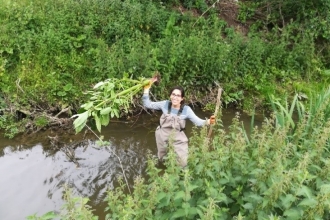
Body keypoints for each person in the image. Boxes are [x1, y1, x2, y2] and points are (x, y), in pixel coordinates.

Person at [142, 82, 215, 167]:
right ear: (170, 96)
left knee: (183, 162)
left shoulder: (186, 110)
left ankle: (183, 176)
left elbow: (198, 122)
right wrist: (146, 90)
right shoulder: (164, 104)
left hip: (178, 137)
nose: (175, 97)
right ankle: (163, 173)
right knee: (162, 158)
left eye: (178, 95)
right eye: (173, 94)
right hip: (162, 135)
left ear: (182, 98)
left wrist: (209, 121)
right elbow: (147, 104)